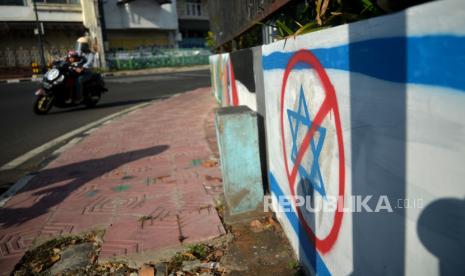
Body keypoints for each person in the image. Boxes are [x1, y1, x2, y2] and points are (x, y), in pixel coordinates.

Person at [73, 36, 95, 104]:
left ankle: (79, 97)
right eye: (79, 45)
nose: (80, 47)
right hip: (77, 71)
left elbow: (89, 63)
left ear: (85, 46)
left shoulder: (90, 54)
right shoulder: (78, 53)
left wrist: (83, 68)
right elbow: (71, 57)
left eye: (81, 45)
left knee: (79, 80)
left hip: (86, 72)